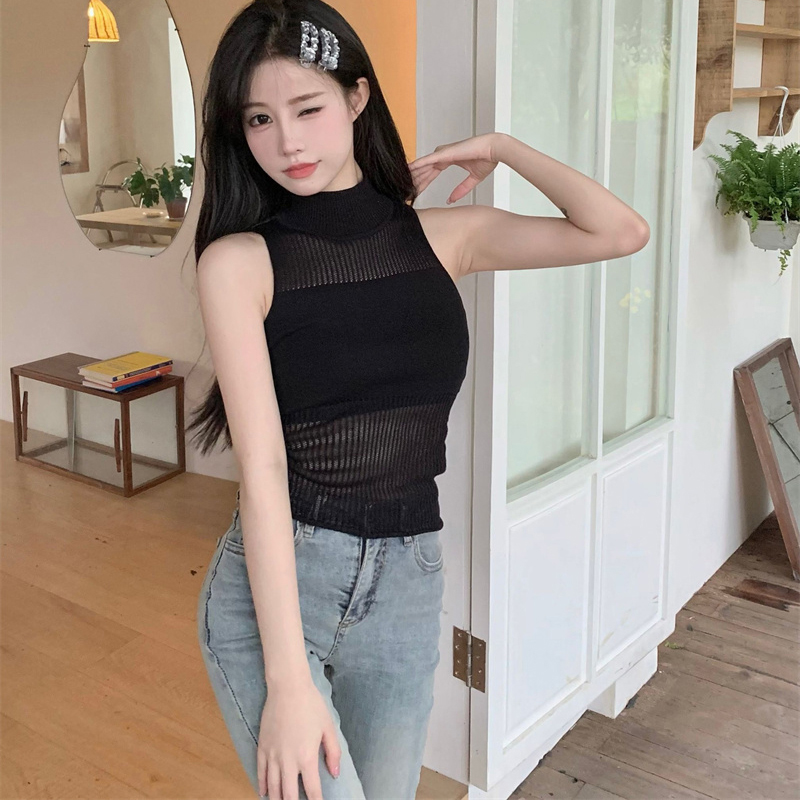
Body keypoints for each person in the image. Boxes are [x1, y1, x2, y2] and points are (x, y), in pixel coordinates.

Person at [188, 2, 649, 799]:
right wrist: (288, 681)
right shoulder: (239, 262)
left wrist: (499, 146)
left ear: (357, 97)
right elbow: (260, 472)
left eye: (308, 108)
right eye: (260, 119)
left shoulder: (443, 238)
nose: (287, 141)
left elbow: (619, 231)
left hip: (407, 580)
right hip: (279, 586)